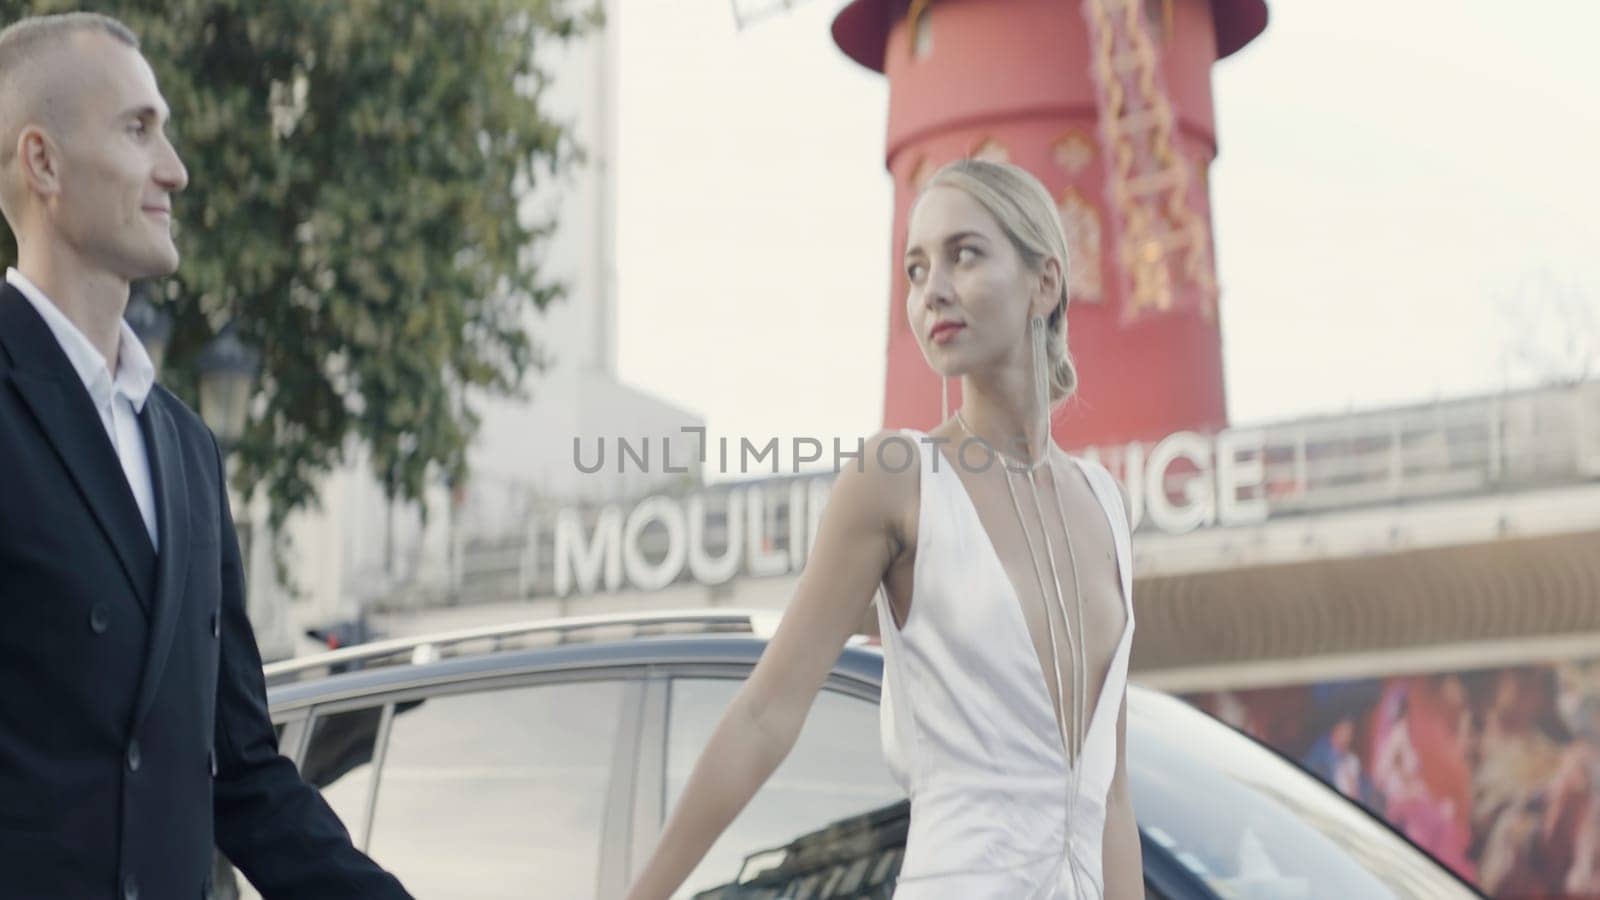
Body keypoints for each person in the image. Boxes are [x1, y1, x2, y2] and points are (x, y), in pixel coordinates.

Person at [624, 158, 1142, 899]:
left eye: (964, 254)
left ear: (1045, 283)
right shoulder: (896, 476)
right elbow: (765, 715)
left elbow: (1112, 797)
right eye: (915, 267)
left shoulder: (1107, 506)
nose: (931, 290)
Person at [0, 13, 411, 898]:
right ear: (43, 162)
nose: (175, 169)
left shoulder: (186, 449)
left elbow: (245, 776)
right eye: (139, 129)